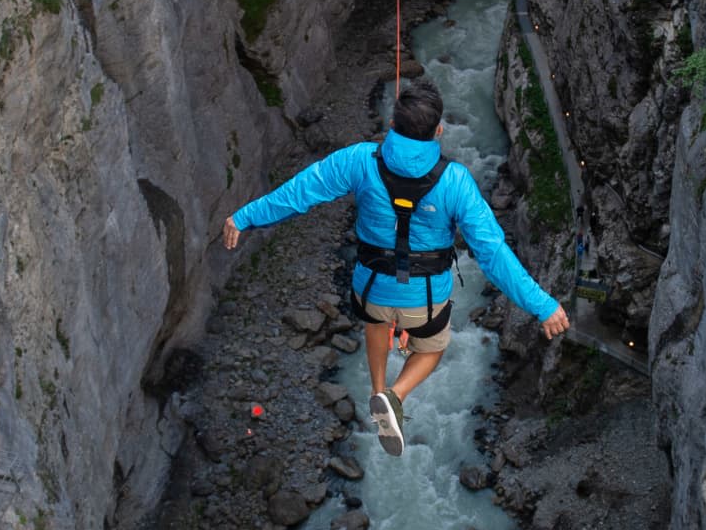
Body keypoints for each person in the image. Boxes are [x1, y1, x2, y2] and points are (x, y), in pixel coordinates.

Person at [222, 79, 570, 455]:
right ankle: (394, 394)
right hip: (424, 299)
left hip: (369, 288)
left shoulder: (359, 160)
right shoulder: (455, 181)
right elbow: (493, 254)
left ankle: (375, 390)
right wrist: (543, 305)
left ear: (392, 123)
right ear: (438, 130)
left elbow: (301, 191)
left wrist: (244, 218)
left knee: (377, 321)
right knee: (431, 349)